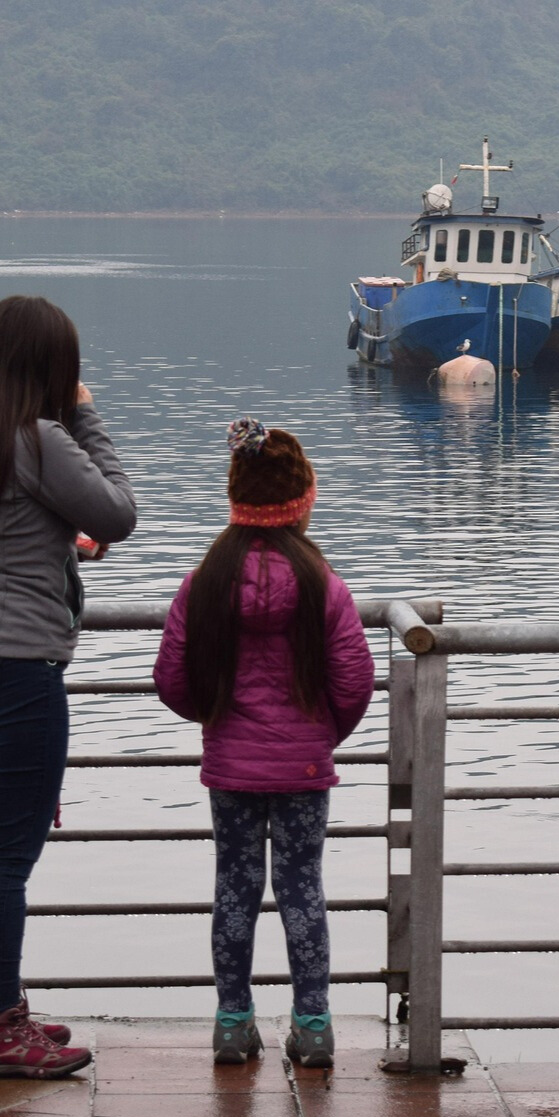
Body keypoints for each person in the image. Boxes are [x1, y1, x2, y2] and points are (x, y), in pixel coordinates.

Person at [0, 295, 137, 1079]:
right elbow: (118, 512)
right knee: (5, 860)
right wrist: (86, 416)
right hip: (17, 670)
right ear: (53, 369)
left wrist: (61, 550)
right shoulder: (39, 435)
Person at [153, 418, 373, 1067]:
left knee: (234, 890)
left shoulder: (206, 582)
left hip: (230, 766)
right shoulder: (321, 584)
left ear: (237, 497)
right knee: (302, 888)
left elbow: (170, 676)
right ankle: (311, 1029)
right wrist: (320, 735)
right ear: (302, 500)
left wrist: (216, 718)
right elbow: (354, 679)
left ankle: (231, 1024)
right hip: (304, 765)